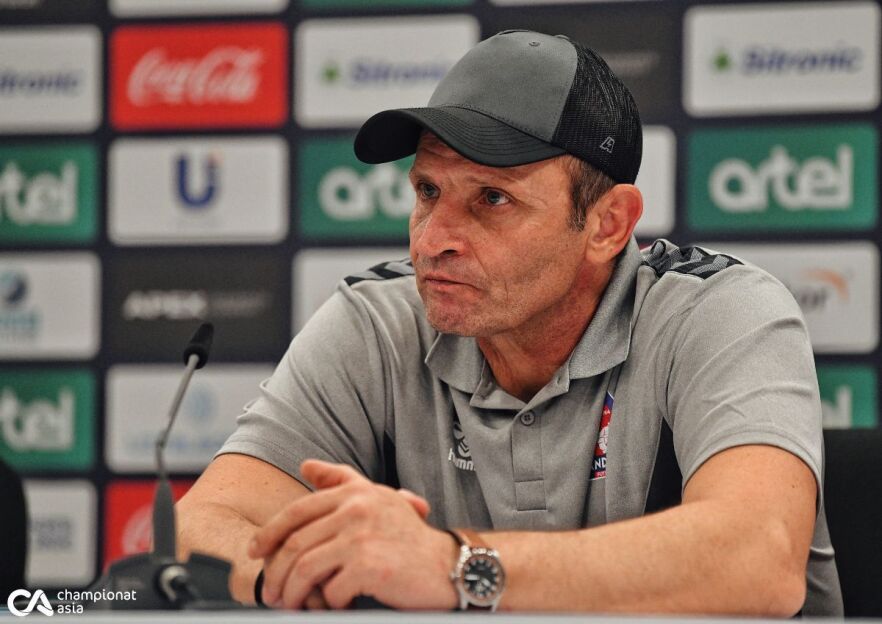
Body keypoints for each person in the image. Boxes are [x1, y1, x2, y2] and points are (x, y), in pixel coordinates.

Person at [176, 30, 842, 615]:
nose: (431, 240)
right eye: (428, 191)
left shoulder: (720, 311)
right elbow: (198, 526)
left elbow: (759, 558)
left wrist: (452, 568)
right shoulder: (378, 322)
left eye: (492, 199)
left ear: (608, 225)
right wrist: (308, 576)